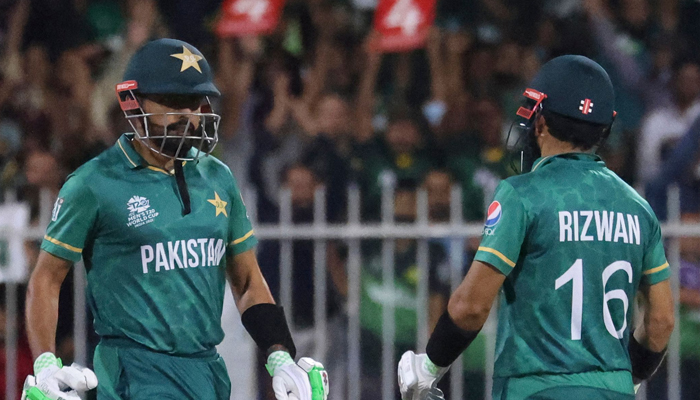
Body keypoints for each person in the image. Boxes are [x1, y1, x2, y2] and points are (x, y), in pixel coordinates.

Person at [22, 38, 328, 400]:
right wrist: (44, 362)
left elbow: (246, 280)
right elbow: (46, 278)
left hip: (208, 372)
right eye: (172, 102)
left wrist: (279, 354)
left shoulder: (218, 177)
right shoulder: (93, 184)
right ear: (130, 102)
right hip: (134, 374)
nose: (189, 116)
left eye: (196, 103)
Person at [397, 55, 675, 399]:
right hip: (613, 389)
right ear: (605, 128)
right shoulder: (638, 208)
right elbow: (660, 322)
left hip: (536, 388)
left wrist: (429, 368)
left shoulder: (521, 195)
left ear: (539, 121)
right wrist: (623, 382)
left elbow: (472, 306)